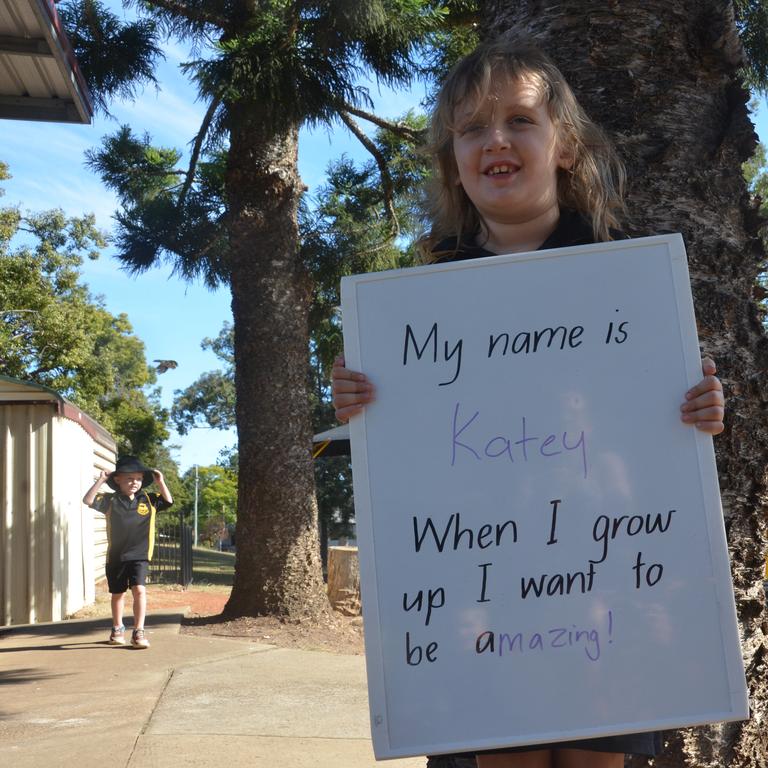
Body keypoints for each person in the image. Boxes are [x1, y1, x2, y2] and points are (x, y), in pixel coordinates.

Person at [331, 39, 726, 768]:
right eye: (472, 128)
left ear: (566, 145)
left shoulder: (629, 281)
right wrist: (362, 400)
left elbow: (659, 428)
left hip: (607, 575)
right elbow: (408, 448)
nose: (496, 140)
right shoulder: (415, 304)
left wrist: (698, 409)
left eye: (519, 120)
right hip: (471, 587)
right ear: (452, 158)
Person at [83, 456, 174, 649]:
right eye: (129, 479)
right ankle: (117, 629)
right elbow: (88, 500)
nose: (135, 482)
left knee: (139, 590)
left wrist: (160, 481)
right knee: (118, 594)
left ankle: (138, 631)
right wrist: (101, 479)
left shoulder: (149, 499)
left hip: (140, 555)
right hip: (116, 556)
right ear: (118, 480)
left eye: (139, 479)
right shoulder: (110, 500)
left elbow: (169, 501)